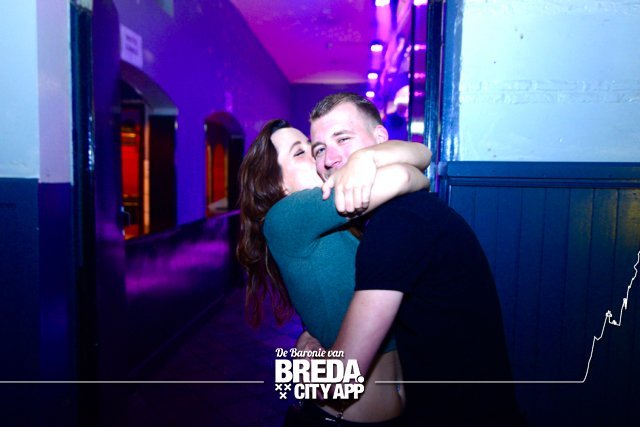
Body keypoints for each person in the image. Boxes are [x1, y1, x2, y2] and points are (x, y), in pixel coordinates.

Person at [297, 92, 526, 426]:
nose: (330, 158)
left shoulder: (396, 224)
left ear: (380, 141)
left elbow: (338, 380)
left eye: (343, 139)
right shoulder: (401, 211)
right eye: (319, 149)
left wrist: (297, 363)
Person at [236, 119, 431, 425]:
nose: (319, 158)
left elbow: (421, 157)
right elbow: (406, 175)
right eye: (299, 153)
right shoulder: (284, 216)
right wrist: (365, 160)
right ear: (279, 184)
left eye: (312, 148)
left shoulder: (335, 221)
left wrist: (307, 344)